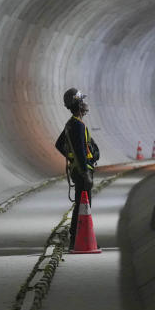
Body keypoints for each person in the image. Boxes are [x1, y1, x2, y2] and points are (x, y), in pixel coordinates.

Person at [55, 88, 99, 246]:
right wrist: (85, 172)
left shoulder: (71, 124)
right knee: (84, 206)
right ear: (79, 105)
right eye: (83, 101)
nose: (86, 104)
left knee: (80, 205)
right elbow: (80, 149)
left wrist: (71, 159)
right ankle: (80, 240)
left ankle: (76, 238)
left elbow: (59, 144)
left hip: (77, 170)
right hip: (82, 172)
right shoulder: (78, 126)